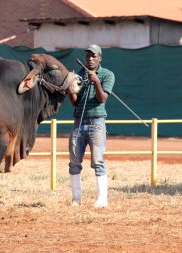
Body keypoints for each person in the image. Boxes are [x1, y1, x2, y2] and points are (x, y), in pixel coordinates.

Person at [68, 44, 115, 208]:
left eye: (93, 56)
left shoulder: (107, 75)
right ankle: (76, 199)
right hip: (78, 122)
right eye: (87, 55)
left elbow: (102, 99)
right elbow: (75, 103)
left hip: (97, 122)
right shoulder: (80, 75)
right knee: (74, 161)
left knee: (98, 161)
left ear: (99, 58)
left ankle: (102, 199)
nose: (90, 58)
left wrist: (96, 82)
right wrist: (71, 89)